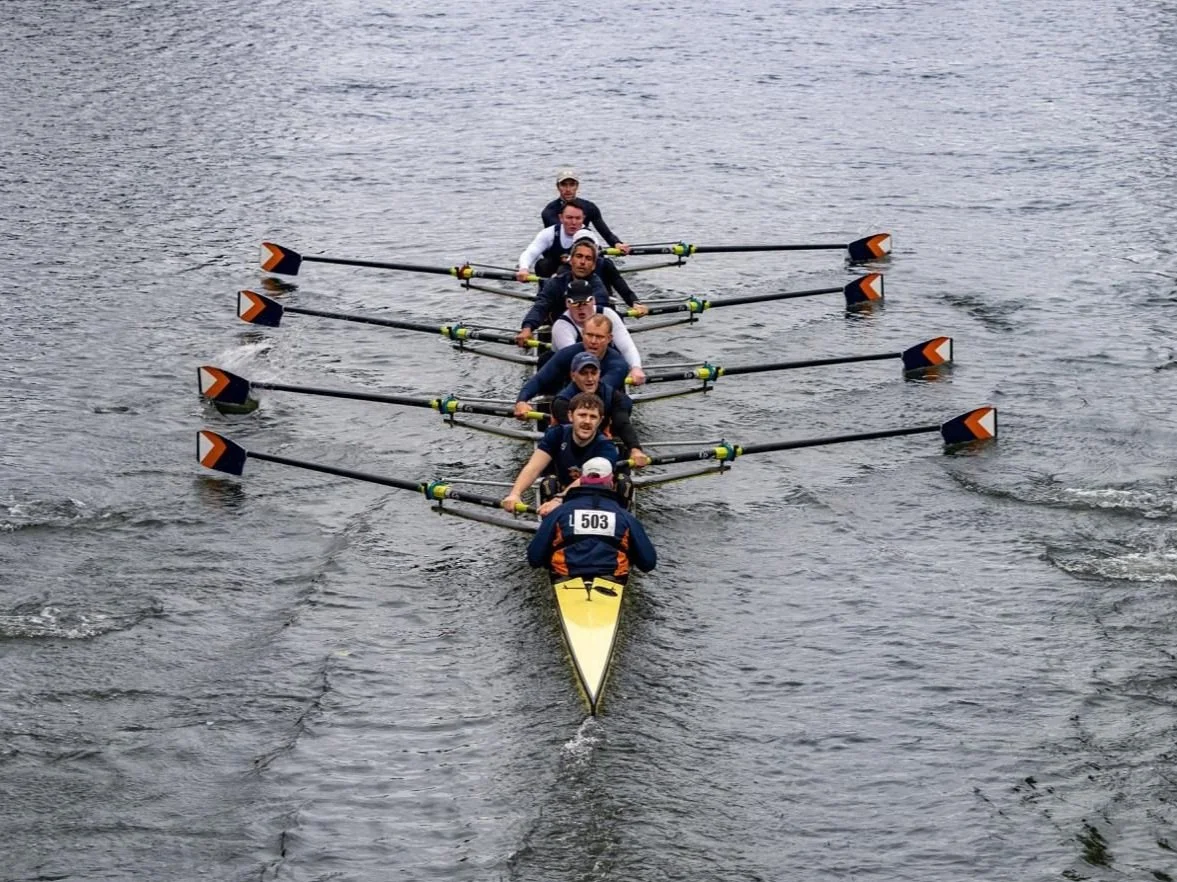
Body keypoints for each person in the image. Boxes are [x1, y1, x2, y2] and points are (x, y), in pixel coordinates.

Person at [526, 455, 657, 582]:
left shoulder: (558, 513)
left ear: (581, 480)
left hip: (565, 576)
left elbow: (534, 559)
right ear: (611, 482)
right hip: (612, 578)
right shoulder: (625, 517)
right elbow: (648, 563)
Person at [501, 393, 619, 517]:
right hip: (563, 492)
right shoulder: (557, 434)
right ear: (570, 416)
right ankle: (551, 524)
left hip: (596, 499)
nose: (587, 421)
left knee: (623, 481)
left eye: (593, 417)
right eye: (582, 415)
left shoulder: (606, 446)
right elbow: (533, 468)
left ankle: (623, 524)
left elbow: (588, 478)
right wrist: (515, 494)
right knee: (549, 481)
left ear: (600, 421)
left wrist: (559, 500)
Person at [514, 314, 633, 419]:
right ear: (582, 334)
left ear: (609, 339)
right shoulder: (568, 353)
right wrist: (521, 401)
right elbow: (539, 379)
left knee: (624, 402)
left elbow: (593, 395)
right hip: (574, 407)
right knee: (546, 358)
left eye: (599, 337)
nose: (593, 341)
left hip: (603, 408)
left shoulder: (618, 365)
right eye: (589, 335)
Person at [552, 351, 651, 469]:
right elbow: (578, 434)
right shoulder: (562, 402)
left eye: (593, 373)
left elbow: (622, 423)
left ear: (599, 374)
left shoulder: (613, 395)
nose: (590, 378)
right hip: (569, 449)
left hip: (601, 444)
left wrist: (635, 449)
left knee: (623, 481)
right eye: (584, 373)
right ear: (573, 376)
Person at [515, 238, 609, 348]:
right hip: (558, 332)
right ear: (571, 260)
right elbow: (540, 306)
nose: (582, 262)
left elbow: (598, 316)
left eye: (588, 258)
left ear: (593, 265)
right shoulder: (556, 283)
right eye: (579, 256)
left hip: (590, 338)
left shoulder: (598, 288)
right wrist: (527, 328)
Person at [551, 278, 646, 385]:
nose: (581, 308)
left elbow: (627, 346)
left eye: (585, 302)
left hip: (600, 371)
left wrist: (636, 367)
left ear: (593, 301)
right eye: (575, 303)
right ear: (567, 304)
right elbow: (577, 362)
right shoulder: (561, 326)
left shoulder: (608, 314)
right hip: (572, 374)